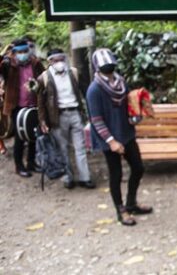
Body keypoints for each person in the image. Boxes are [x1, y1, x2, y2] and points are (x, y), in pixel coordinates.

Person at [86, 48, 151, 226]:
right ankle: (120, 209)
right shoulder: (94, 90)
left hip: (126, 132)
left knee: (138, 168)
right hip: (109, 138)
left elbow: (128, 104)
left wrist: (137, 113)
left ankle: (131, 203)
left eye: (110, 65)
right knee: (116, 174)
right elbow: (96, 120)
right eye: (105, 66)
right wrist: (112, 141)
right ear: (97, 68)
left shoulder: (120, 82)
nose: (109, 67)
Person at [37, 49, 95, 189]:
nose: (60, 63)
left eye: (61, 59)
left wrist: (89, 114)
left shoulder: (73, 73)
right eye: (56, 60)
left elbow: (85, 92)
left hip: (75, 113)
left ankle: (84, 177)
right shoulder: (43, 78)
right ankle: (68, 177)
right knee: (62, 148)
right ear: (50, 61)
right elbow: (40, 102)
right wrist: (43, 121)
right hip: (57, 117)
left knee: (80, 147)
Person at [0, 39, 45, 177]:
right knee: (20, 137)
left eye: (25, 51)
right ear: (14, 52)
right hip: (17, 105)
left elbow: (44, 77)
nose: (23, 54)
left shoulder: (35, 63)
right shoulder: (9, 64)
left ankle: (32, 163)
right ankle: (19, 166)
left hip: (34, 103)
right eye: (20, 52)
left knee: (33, 134)